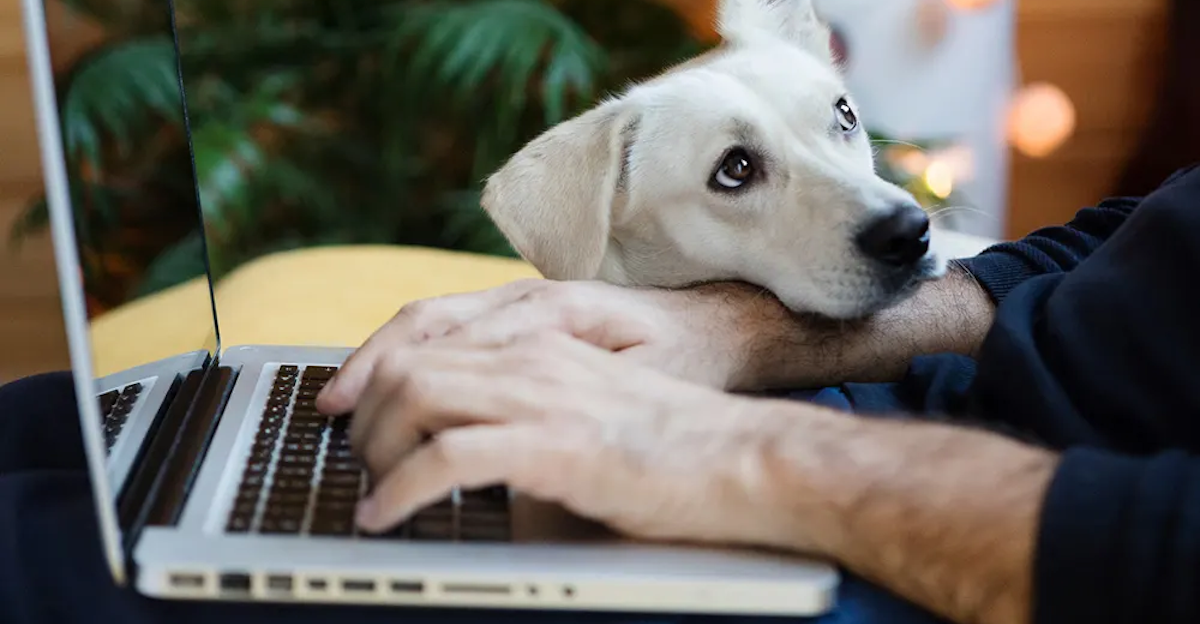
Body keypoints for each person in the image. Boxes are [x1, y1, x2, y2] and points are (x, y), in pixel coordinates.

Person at [1, 165, 1196, 624]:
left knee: (53, 557)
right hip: (886, 435)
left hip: (974, 561)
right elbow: (1085, 267)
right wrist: (726, 330)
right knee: (92, 424)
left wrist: (744, 457)